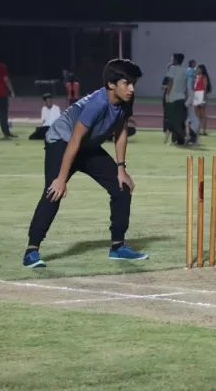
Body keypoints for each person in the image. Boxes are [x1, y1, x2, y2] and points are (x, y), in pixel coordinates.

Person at [23, 59, 147, 268]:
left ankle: (118, 246)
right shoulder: (97, 104)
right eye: (127, 83)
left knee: (122, 187)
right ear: (111, 84)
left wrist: (121, 168)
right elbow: (74, 141)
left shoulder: (126, 100)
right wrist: (61, 179)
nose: (132, 89)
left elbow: (122, 130)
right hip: (62, 141)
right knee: (54, 191)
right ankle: (31, 251)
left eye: (134, 83)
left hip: (87, 146)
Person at [164, 53, 189, 146]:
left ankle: (185, 136)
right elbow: (186, 85)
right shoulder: (185, 70)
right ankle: (175, 140)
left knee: (172, 120)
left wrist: (167, 94)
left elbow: (170, 82)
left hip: (173, 96)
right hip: (181, 96)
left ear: (175, 60)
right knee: (179, 120)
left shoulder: (172, 69)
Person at [192, 64, 212, 135]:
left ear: (202, 70)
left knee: (203, 114)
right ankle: (198, 129)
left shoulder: (204, 77)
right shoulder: (196, 77)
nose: (197, 70)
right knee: (196, 113)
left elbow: (205, 88)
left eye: (198, 69)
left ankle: (204, 130)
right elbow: (193, 86)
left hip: (201, 93)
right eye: (197, 69)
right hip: (196, 94)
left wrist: (203, 99)